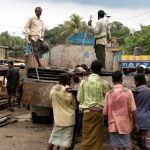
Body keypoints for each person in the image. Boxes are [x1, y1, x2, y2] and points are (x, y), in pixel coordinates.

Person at [77, 60, 109, 150]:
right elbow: (108, 97)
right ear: (101, 70)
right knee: (97, 138)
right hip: (99, 113)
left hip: (87, 112)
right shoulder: (104, 83)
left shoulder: (84, 81)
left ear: (91, 68)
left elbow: (79, 98)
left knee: (86, 136)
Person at [103, 71, 138, 150]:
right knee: (126, 146)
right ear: (122, 80)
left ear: (112, 81)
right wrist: (135, 123)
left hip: (113, 125)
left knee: (115, 147)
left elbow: (105, 113)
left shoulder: (109, 93)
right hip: (125, 124)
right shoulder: (128, 92)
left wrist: (108, 121)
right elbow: (133, 110)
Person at [47, 73, 76, 150]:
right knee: (67, 142)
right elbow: (74, 106)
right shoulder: (69, 94)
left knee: (52, 140)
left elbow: (51, 97)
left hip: (58, 119)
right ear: (68, 82)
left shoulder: (53, 91)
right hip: (69, 120)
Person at [133, 73, 150, 149]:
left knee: (136, 144)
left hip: (135, 121)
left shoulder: (133, 92)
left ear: (136, 81)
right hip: (147, 120)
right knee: (146, 144)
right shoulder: (149, 91)